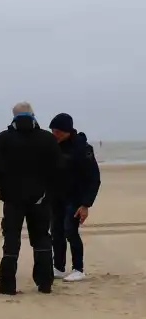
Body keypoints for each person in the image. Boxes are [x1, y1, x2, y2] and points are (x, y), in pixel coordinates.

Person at [0, 102, 61, 295]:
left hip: (14, 199)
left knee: (11, 240)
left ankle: (7, 284)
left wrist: (4, 188)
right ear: (33, 115)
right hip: (40, 198)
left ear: (13, 117)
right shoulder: (47, 138)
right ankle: (45, 283)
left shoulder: (3, 139)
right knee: (42, 239)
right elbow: (57, 168)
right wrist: (47, 191)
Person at [47, 113, 101, 282]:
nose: (54, 134)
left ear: (67, 131)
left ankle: (78, 268)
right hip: (56, 197)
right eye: (53, 131)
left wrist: (86, 204)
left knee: (70, 230)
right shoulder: (53, 146)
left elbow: (94, 178)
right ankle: (59, 267)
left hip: (76, 199)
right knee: (56, 231)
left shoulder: (83, 149)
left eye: (57, 131)